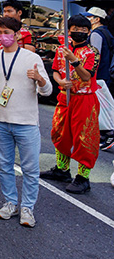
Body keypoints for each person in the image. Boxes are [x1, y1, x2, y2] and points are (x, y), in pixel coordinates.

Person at [0, 16, 51, 228]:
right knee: (4, 166)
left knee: (30, 169)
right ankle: (10, 203)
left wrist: (40, 79)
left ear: (17, 34)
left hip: (27, 123)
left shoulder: (31, 57)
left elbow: (47, 90)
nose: (3, 36)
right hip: (1, 121)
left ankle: (27, 208)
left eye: (7, 32)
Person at [40, 15, 101, 195]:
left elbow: (86, 76)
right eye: (75, 29)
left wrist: (74, 60)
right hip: (65, 97)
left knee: (84, 138)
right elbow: (56, 71)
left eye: (83, 30)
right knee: (60, 133)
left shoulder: (92, 52)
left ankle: (83, 177)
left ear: (89, 32)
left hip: (85, 99)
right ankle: (62, 170)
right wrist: (61, 81)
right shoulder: (61, 50)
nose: (78, 32)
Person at [85, 6, 114, 150]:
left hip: (98, 75)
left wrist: (89, 74)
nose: (87, 19)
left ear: (97, 19)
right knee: (105, 104)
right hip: (106, 73)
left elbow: (95, 55)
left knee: (99, 106)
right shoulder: (107, 32)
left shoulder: (96, 34)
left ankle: (108, 134)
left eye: (90, 17)